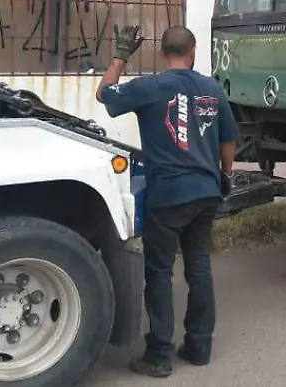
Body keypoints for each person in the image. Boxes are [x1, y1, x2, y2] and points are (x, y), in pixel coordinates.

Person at [95, 23, 237, 378]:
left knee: (159, 272)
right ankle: (199, 346)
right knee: (199, 266)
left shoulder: (149, 88)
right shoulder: (212, 89)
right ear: (193, 52)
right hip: (205, 192)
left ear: (162, 53)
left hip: (168, 196)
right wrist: (226, 175)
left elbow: (104, 94)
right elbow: (228, 140)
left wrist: (120, 56)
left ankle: (159, 355)